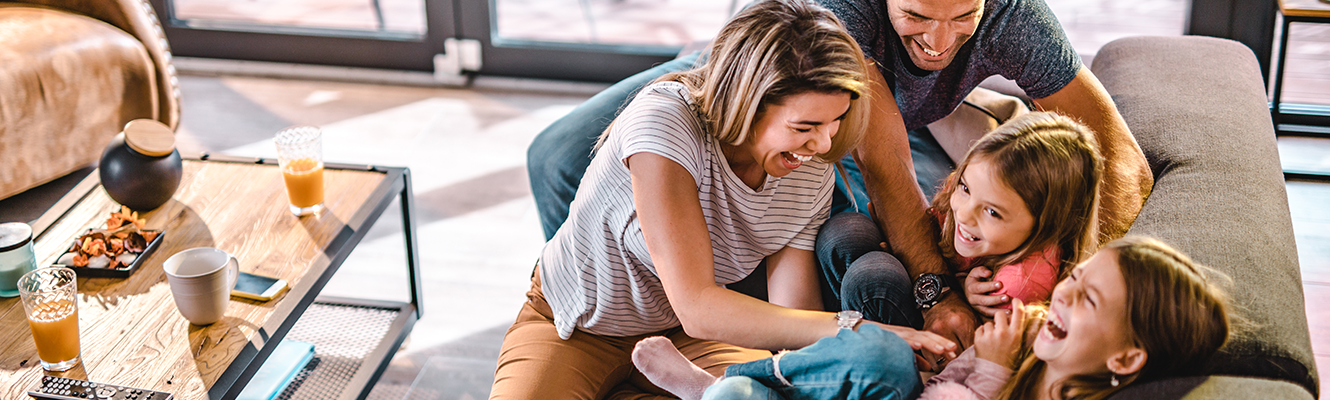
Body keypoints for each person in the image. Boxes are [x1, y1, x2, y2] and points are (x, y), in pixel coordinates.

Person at [525, 0, 1155, 362]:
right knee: (555, 156)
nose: (939, 42)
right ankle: (612, 319)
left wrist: (1077, 272)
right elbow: (884, 169)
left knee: (942, 225)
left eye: (962, 15)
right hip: (770, 76)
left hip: (846, 123)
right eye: (916, 14)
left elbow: (1120, 155)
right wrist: (940, 295)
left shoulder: (1015, 18)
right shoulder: (845, 14)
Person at [490, 1, 957, 398]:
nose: (824, 144)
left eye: (834, 122)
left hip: (686, 339)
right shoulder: (665, 123)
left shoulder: (806, 164)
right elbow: (698, 304)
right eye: (805, 126)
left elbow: (791, 320)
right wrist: (855, 327)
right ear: (748, 102)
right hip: (578, 328)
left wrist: (861, 356)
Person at [633, 236, 1232, 400]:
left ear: (1126, 358)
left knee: (879, 354)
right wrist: (960, 360)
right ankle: (728, 386)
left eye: (1090, 302)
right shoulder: (1036, 345)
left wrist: (989, 373)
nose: (1063, 299)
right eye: (1074, 281)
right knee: (880, 346)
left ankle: (720, 389)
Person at [819, 111, 1103, 339]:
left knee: (873, 279)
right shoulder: (973, 222)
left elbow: (975, 346)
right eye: (965, 188)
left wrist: (962, 293)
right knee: (845, 231)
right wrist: (906, 248)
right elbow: (941, 233)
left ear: (1047, 226)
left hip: (944, 350)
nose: (965, 215)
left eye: (992, 212)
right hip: (937, 295)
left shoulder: (1019, 284)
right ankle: (833, 337)